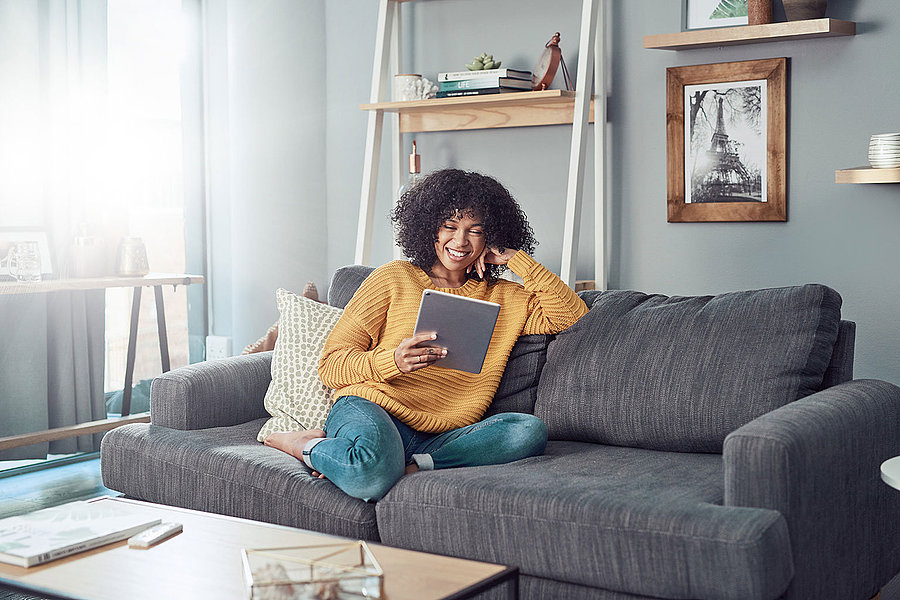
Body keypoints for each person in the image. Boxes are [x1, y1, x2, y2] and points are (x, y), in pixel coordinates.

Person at [264, 169, 588, 501]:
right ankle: (305, 444)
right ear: (429, 226)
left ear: (490, 237)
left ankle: (410, 466)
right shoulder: (393, 278)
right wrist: (393, 361)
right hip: (373, 408)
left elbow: (571, 315)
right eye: (450, 226)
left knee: (528, 431)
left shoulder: (506, 297)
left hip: (444, 433)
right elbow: (331, 367)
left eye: (475, 231)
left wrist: (516, 260)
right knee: (369, 479)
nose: (460, 241)